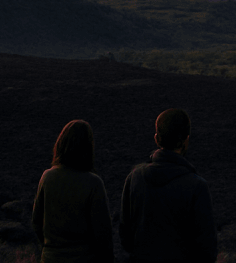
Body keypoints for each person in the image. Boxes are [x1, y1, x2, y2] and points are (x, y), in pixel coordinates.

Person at [120, 108, 217, 263]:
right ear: (186, 140)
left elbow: (125, 237)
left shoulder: (134, 178)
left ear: (157, 139)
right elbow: (207, 249)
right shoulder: (197, 186)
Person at [32, 119, 114, 263]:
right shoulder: (93, 183)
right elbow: (103, 234)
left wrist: (50, 248)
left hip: (51, 258)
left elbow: (37, 222)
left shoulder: (47, 177)